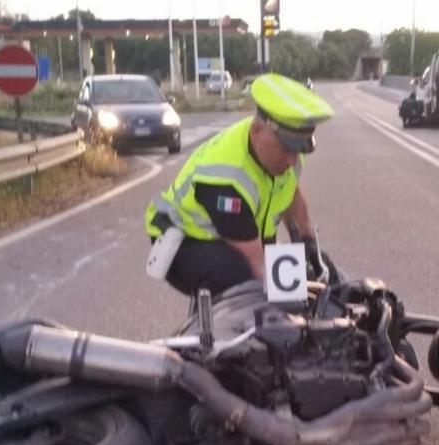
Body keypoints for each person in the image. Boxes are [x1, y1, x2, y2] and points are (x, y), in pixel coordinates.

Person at [144, 73, 335, 296]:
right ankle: (220, 325)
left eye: (299, 149)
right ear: (257, 131)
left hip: (245, 231)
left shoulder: (285, 151)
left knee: (323, 270)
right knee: (243, 281)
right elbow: (258, 266)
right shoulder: (225, 179)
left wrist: (307, 241)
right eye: (286, 149)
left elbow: (291, 192)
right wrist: (301, 300)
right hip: (184, 239)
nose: (293, 159)